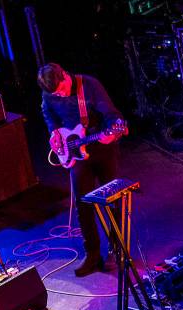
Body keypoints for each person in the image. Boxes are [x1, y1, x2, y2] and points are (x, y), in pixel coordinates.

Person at [38, 63, 125, 277]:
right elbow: (48, 114)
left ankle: (116, 250)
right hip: (76, 152)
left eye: (61, 89)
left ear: (65, 75)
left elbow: (112, 115)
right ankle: (92, 254)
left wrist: (112, 132)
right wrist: (54, 134)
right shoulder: (48, 94)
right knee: (82, 203)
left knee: (112, 199)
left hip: (101, 147)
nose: (60, 95)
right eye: (56, 94)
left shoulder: (89, 85)